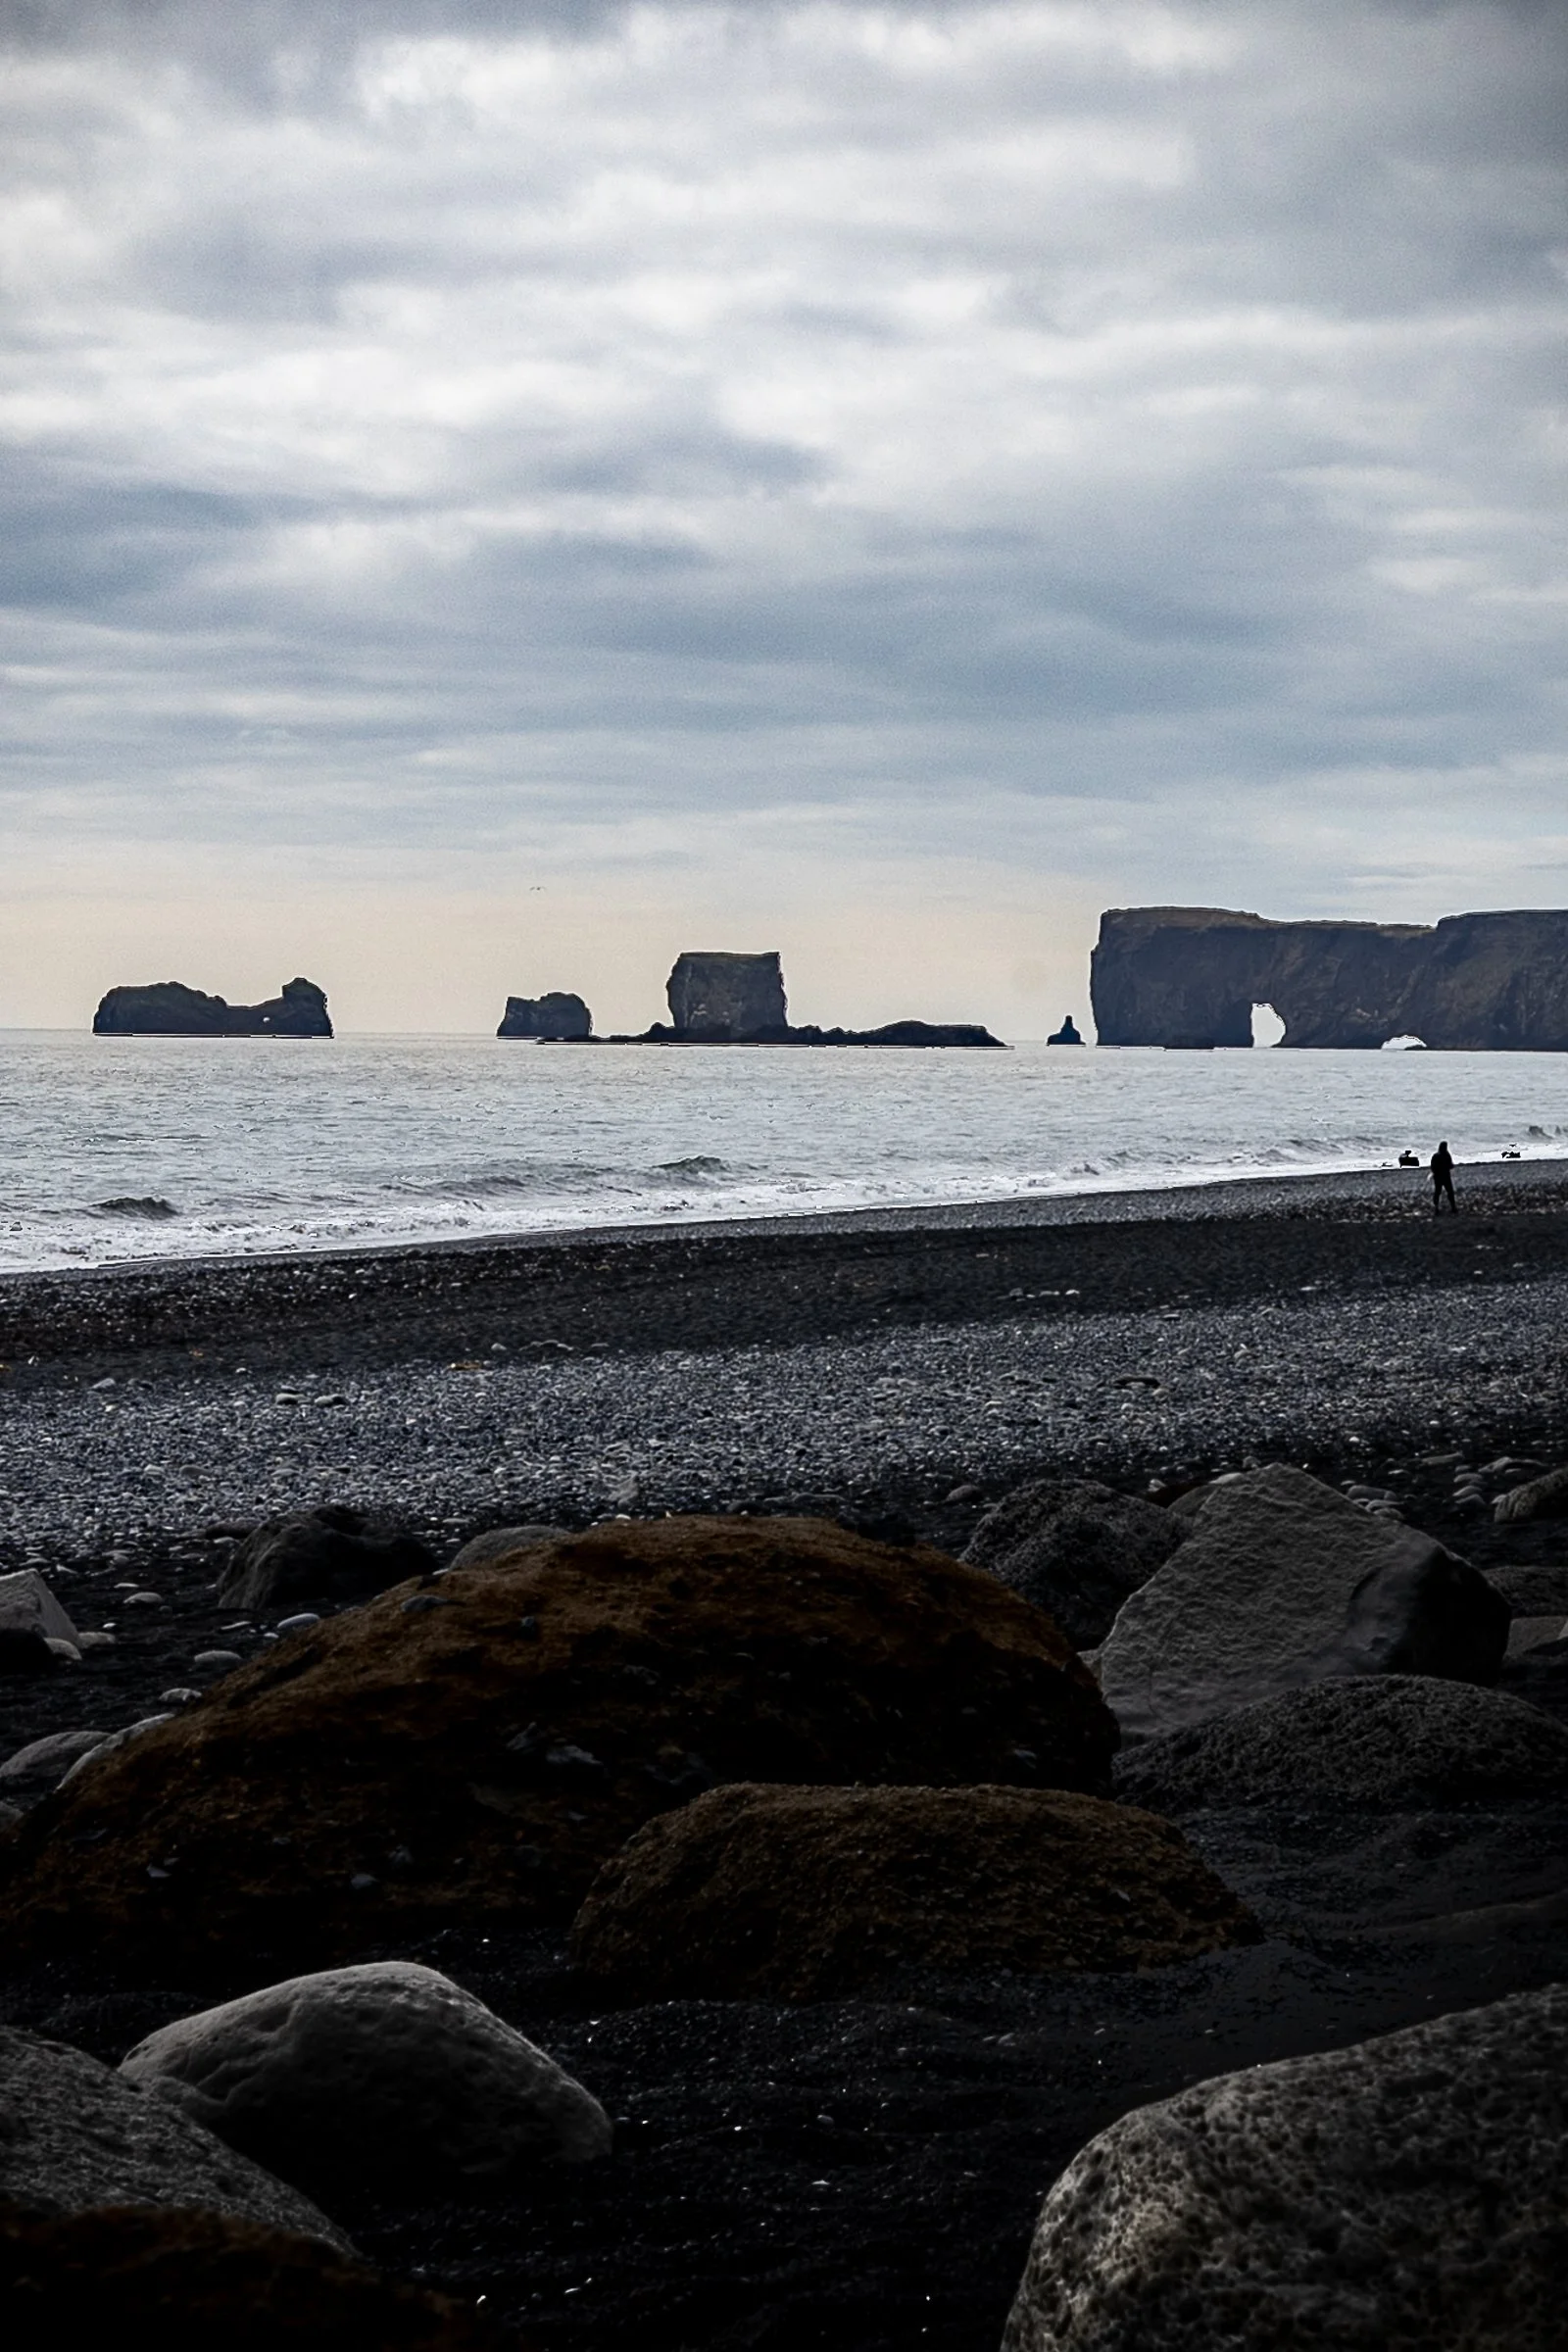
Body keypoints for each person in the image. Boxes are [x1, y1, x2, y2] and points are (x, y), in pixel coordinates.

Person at [1431, 1140, 1457, 1214]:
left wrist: (1435, 1172)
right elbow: (1451, 1166)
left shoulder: (1435, 1156)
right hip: (1446, 1176)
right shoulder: (1447, 1155)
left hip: (1437, 1177)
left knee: (1437, 1192)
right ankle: (1453, 1207)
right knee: (1450, 1192)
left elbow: (1432, 1167)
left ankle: (1436, 1208)